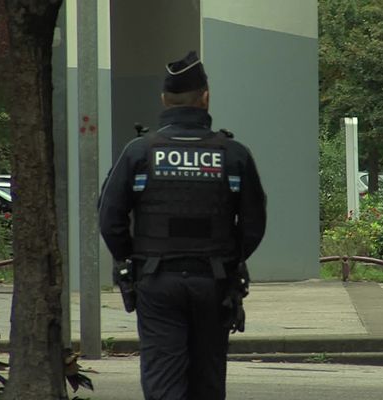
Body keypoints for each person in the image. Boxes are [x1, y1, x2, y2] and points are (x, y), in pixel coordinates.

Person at [98, 50, 267, 399]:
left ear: (164, 99)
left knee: (163, 378)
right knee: (207, 379)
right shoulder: (234, 155)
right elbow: (254, 223)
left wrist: (132, 259)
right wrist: (228, 257)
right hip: (214, 281)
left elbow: (110, 217)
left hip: (157, 281)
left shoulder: (139, 152)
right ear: (205, 97)